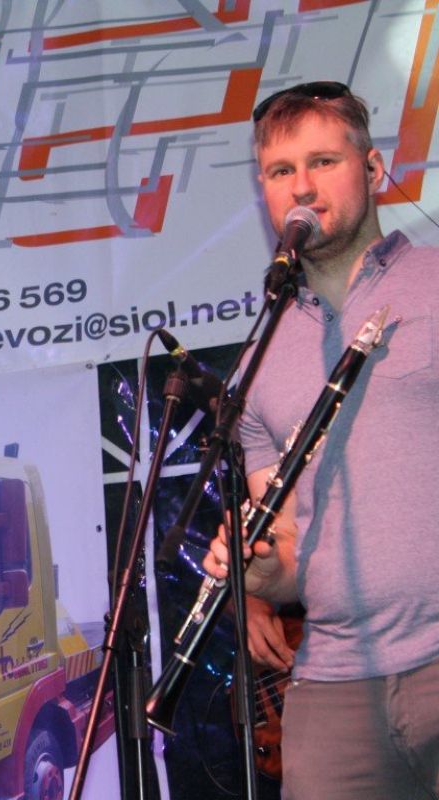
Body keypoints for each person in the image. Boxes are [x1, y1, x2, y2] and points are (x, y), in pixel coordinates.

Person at [204, 81, 439, 799]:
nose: (301, 186)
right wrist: (254, 576)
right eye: (280, 171)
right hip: (334, 683)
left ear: (373, 169)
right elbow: (292, 556)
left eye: (323, 162)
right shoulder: (258, 362)